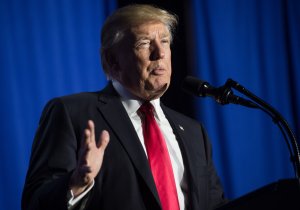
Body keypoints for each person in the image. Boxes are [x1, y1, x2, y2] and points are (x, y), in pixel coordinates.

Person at [22, 4, 226, 210]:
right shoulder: (71, 113)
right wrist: (77, 183)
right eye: (144, 43)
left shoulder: (193, 132)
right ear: (113, 61)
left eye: (164, 41)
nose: (160, 53)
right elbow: (34, 203)